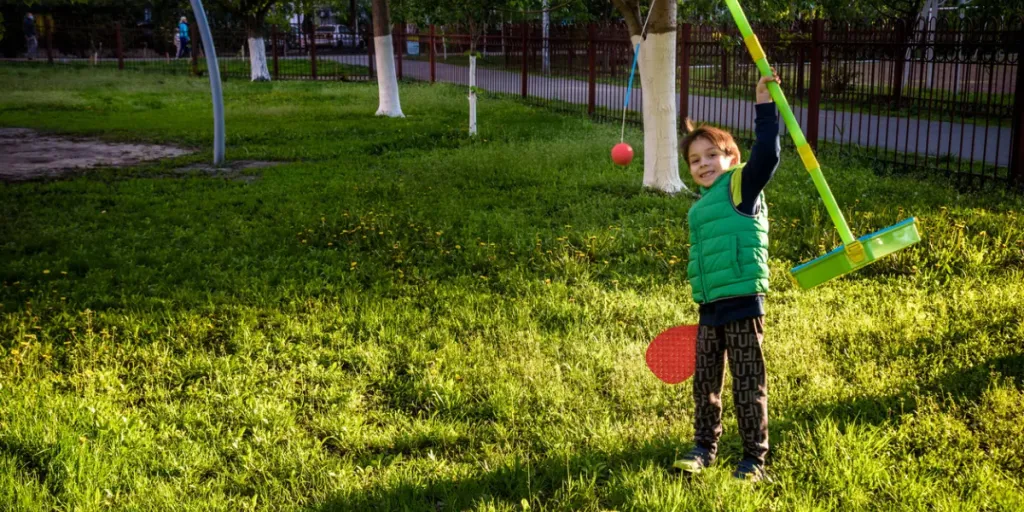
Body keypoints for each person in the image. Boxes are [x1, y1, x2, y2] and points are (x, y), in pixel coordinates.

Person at [672, 71, 782, 483]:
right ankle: (704, 446)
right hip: (710, 307)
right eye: (695, 160)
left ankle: (754, 459)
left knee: (747, 383)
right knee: (705, 382)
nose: (702, 165)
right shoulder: (701, 206)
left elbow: (768, 156)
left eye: (710, 156)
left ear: (732, 159)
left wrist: (764, 106)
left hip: (741, 303)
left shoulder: (741, 188)